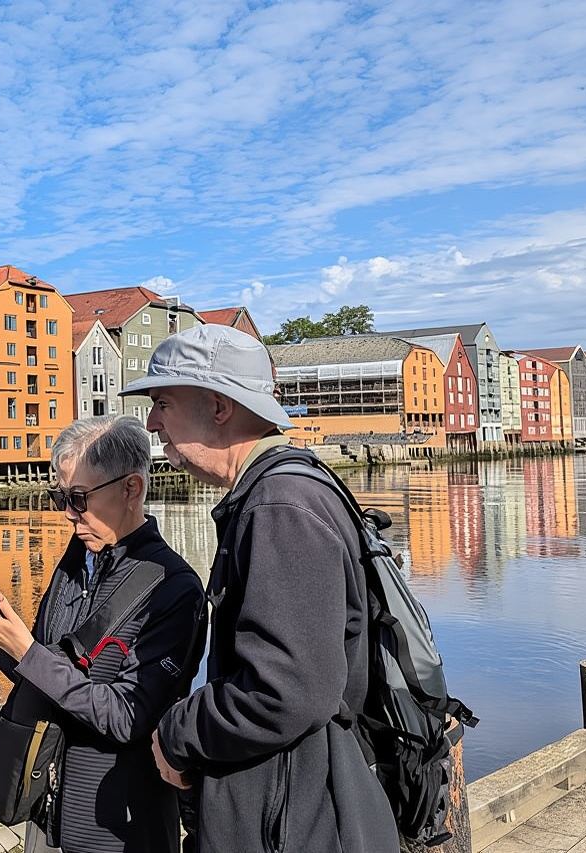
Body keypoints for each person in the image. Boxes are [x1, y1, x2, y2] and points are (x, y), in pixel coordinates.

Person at [119, 324, 398, 852]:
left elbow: (285, 691)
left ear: (219, 406)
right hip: (294, 803)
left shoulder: (280, 507)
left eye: (162, 402)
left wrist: (178, 733)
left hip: (290, 818)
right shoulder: (286, 490)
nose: (153, 423)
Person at [0, 415, 204, 853]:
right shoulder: (77, 561)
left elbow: (127, 717)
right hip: (49, 811)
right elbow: (42, 671)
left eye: (78, 498)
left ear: (132, 488)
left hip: (119, 827)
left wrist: (27, 650)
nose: (67, 514)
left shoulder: (173, 587)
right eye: (59, 496)